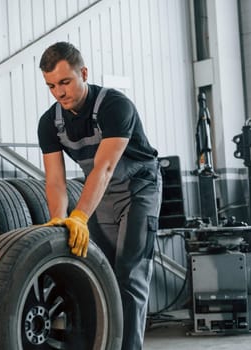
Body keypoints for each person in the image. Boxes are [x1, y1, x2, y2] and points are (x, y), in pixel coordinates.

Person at [37, 41, 162, 349]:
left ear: (84, 73)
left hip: (138, 190)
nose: (59, 92)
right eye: (51, 86)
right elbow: (55, 180)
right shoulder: (49, 123)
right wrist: (59, 218)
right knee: (96, 276)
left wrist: (79, 215)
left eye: (65, 82)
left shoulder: (115, 106)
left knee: (129, 277)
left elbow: (104, 168)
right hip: (100, 197)